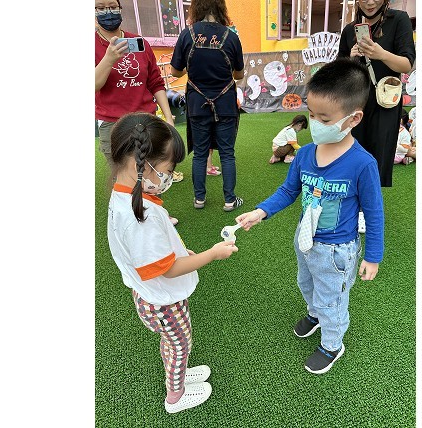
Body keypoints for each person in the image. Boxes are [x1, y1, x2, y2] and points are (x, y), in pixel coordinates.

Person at [236, 58, 384, 375]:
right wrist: (261, 211)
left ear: (354, 118)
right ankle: (315, 314)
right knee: (306, 283)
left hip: (337, 251)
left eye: (324, 118)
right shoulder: (304, 154)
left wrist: (373, 256)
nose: (315, 123)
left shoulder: (363, 164)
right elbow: (288, 190)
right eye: (312, 114)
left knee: (333, 299)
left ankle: (332, 344)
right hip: (305, 238)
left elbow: (374, 214)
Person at [106, 112, 239, 413]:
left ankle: (177, 375)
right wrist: (212, 253)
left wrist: (181, 252)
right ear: (140, 164)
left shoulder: (125, 195)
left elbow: (153, 253)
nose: (170, 177)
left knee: (174, 341)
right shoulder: (140, 216)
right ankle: (175, 396)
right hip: (162, 300)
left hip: (152, 294)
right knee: (180, 345)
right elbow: (167, 270)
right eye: (167, 170)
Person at [95, 0, 181, 224]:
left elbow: (155, 82)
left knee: (151, 170)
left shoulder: (139, 42)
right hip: (113, 124)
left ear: (120, 8)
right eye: (100, 7)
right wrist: (109, 59)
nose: (108, 12)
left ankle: (155, 213)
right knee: (124, 176)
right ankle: (130, 219)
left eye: (112, 6)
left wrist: (168, 118)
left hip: (146, 121)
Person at [170, 0, 245, 212]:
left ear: (196, 7)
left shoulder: (187, 35)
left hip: (197, 104)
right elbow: (239, 75)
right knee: (227, 154)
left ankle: (199, 199)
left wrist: (191, 68)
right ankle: (229, 200)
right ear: (221, 7)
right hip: (225, 104)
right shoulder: (231, 36)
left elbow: (175, 71)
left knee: (200, 154)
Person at [338, 0, 416, 187]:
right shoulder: (349, 30)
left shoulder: (398, 20)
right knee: (353, 155)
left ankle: (370, 201)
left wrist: (381, 54)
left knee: (378, 159)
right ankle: (353, 199)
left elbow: (407, 64)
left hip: (385, 102)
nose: (370, 2)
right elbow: (340, 70)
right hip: (355, 102)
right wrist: (351, 58)